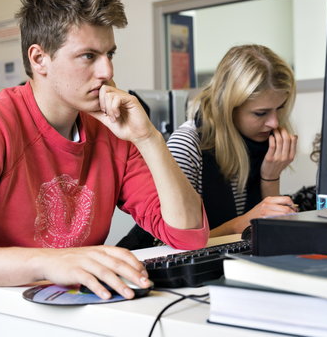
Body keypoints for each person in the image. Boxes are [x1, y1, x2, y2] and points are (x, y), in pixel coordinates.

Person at [0, 0, 208, 336]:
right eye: (88, 56)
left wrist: (148, 138)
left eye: (110, 54)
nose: (107, 71)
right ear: (39, 58)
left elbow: (188, 236)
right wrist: (51, 262)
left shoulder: (113, 130)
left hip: (72, 318)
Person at [117, 44, 297, 248]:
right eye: (260, 113)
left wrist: (270, 176)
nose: (274, 122)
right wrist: (240, 225)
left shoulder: (258, 144)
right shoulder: (187, 145)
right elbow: (165, 247)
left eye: (280, 108)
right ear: (228, 108)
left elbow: (266, 233)